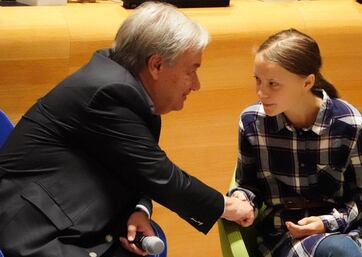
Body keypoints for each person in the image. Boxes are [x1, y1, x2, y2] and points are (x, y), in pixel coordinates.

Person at [0, 2, 253, 257]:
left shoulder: (125, 85)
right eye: (191, 71)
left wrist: (140, 208)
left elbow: (134, 168)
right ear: (156, 65)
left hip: (78, 214)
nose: (196, 85)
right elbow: (161, 176)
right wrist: (229, 206)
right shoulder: (109, 93)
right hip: (36, 230)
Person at [229, 28, 362, 257]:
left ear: (307, 82)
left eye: (273, 84)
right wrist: (242, 198)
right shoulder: (251, 122)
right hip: (282, 235)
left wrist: (327, 223)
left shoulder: (351, 124)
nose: (261, 92)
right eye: (258, 80)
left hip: (344, 233)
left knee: (336, 249)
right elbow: (248, 184)